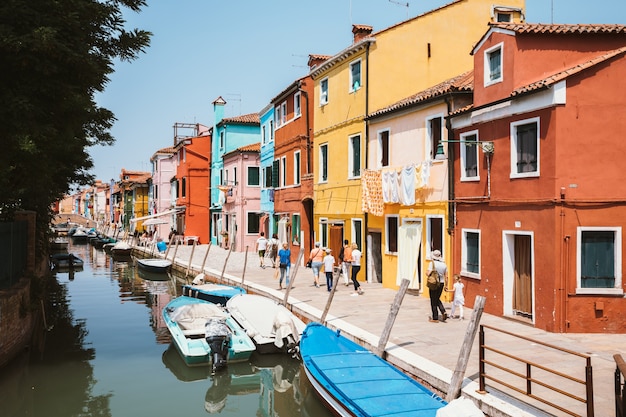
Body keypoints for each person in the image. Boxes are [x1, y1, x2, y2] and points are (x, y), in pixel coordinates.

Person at [427, 250, 447, 322]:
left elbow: (428, 273)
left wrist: (428, 272)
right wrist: (446, 286)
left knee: (433, 299)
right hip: (441, 283)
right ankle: (443, 311)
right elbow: (446, 276)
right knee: (437, 298)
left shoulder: (432, 264)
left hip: (434, 283)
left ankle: (435, 317)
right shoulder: (444, 265)